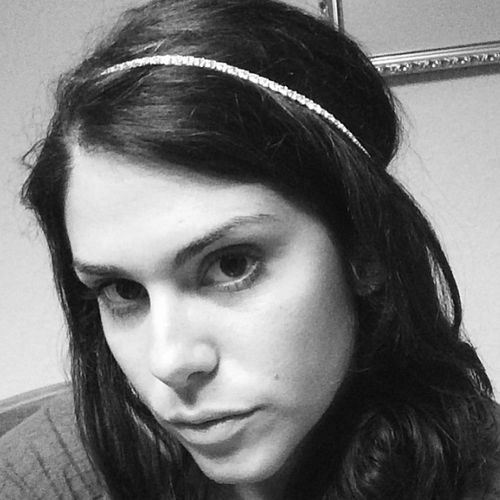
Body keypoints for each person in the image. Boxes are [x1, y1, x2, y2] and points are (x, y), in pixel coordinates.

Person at [1, 0, 498, 498]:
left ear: (365, 251)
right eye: (123, 290)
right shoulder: (50, 471)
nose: (170, 362)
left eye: (231, 265)